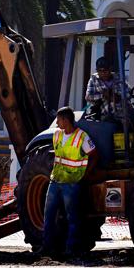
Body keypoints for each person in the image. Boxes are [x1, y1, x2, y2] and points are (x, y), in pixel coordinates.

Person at [43, 106, 98, 257]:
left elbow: (94, 155)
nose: (57, 123)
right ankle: (47, 247)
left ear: (66, 120)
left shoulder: (82, 137)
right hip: (55, 181)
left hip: (72, 183)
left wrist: (86, 174)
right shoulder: (57, 135)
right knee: (48, 215)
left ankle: (71, 248)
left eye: (58, 120)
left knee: (72, 216)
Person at [85, 56, 127, 121]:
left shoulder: (118, 78)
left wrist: (117, 97)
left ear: (110, 69)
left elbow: (128, 95)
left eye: (105, 70)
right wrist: (103, 95)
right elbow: (88, 97)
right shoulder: (94, 79)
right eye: (100, 71)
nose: (102, 73)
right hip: (101, 114)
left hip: (120, 114)